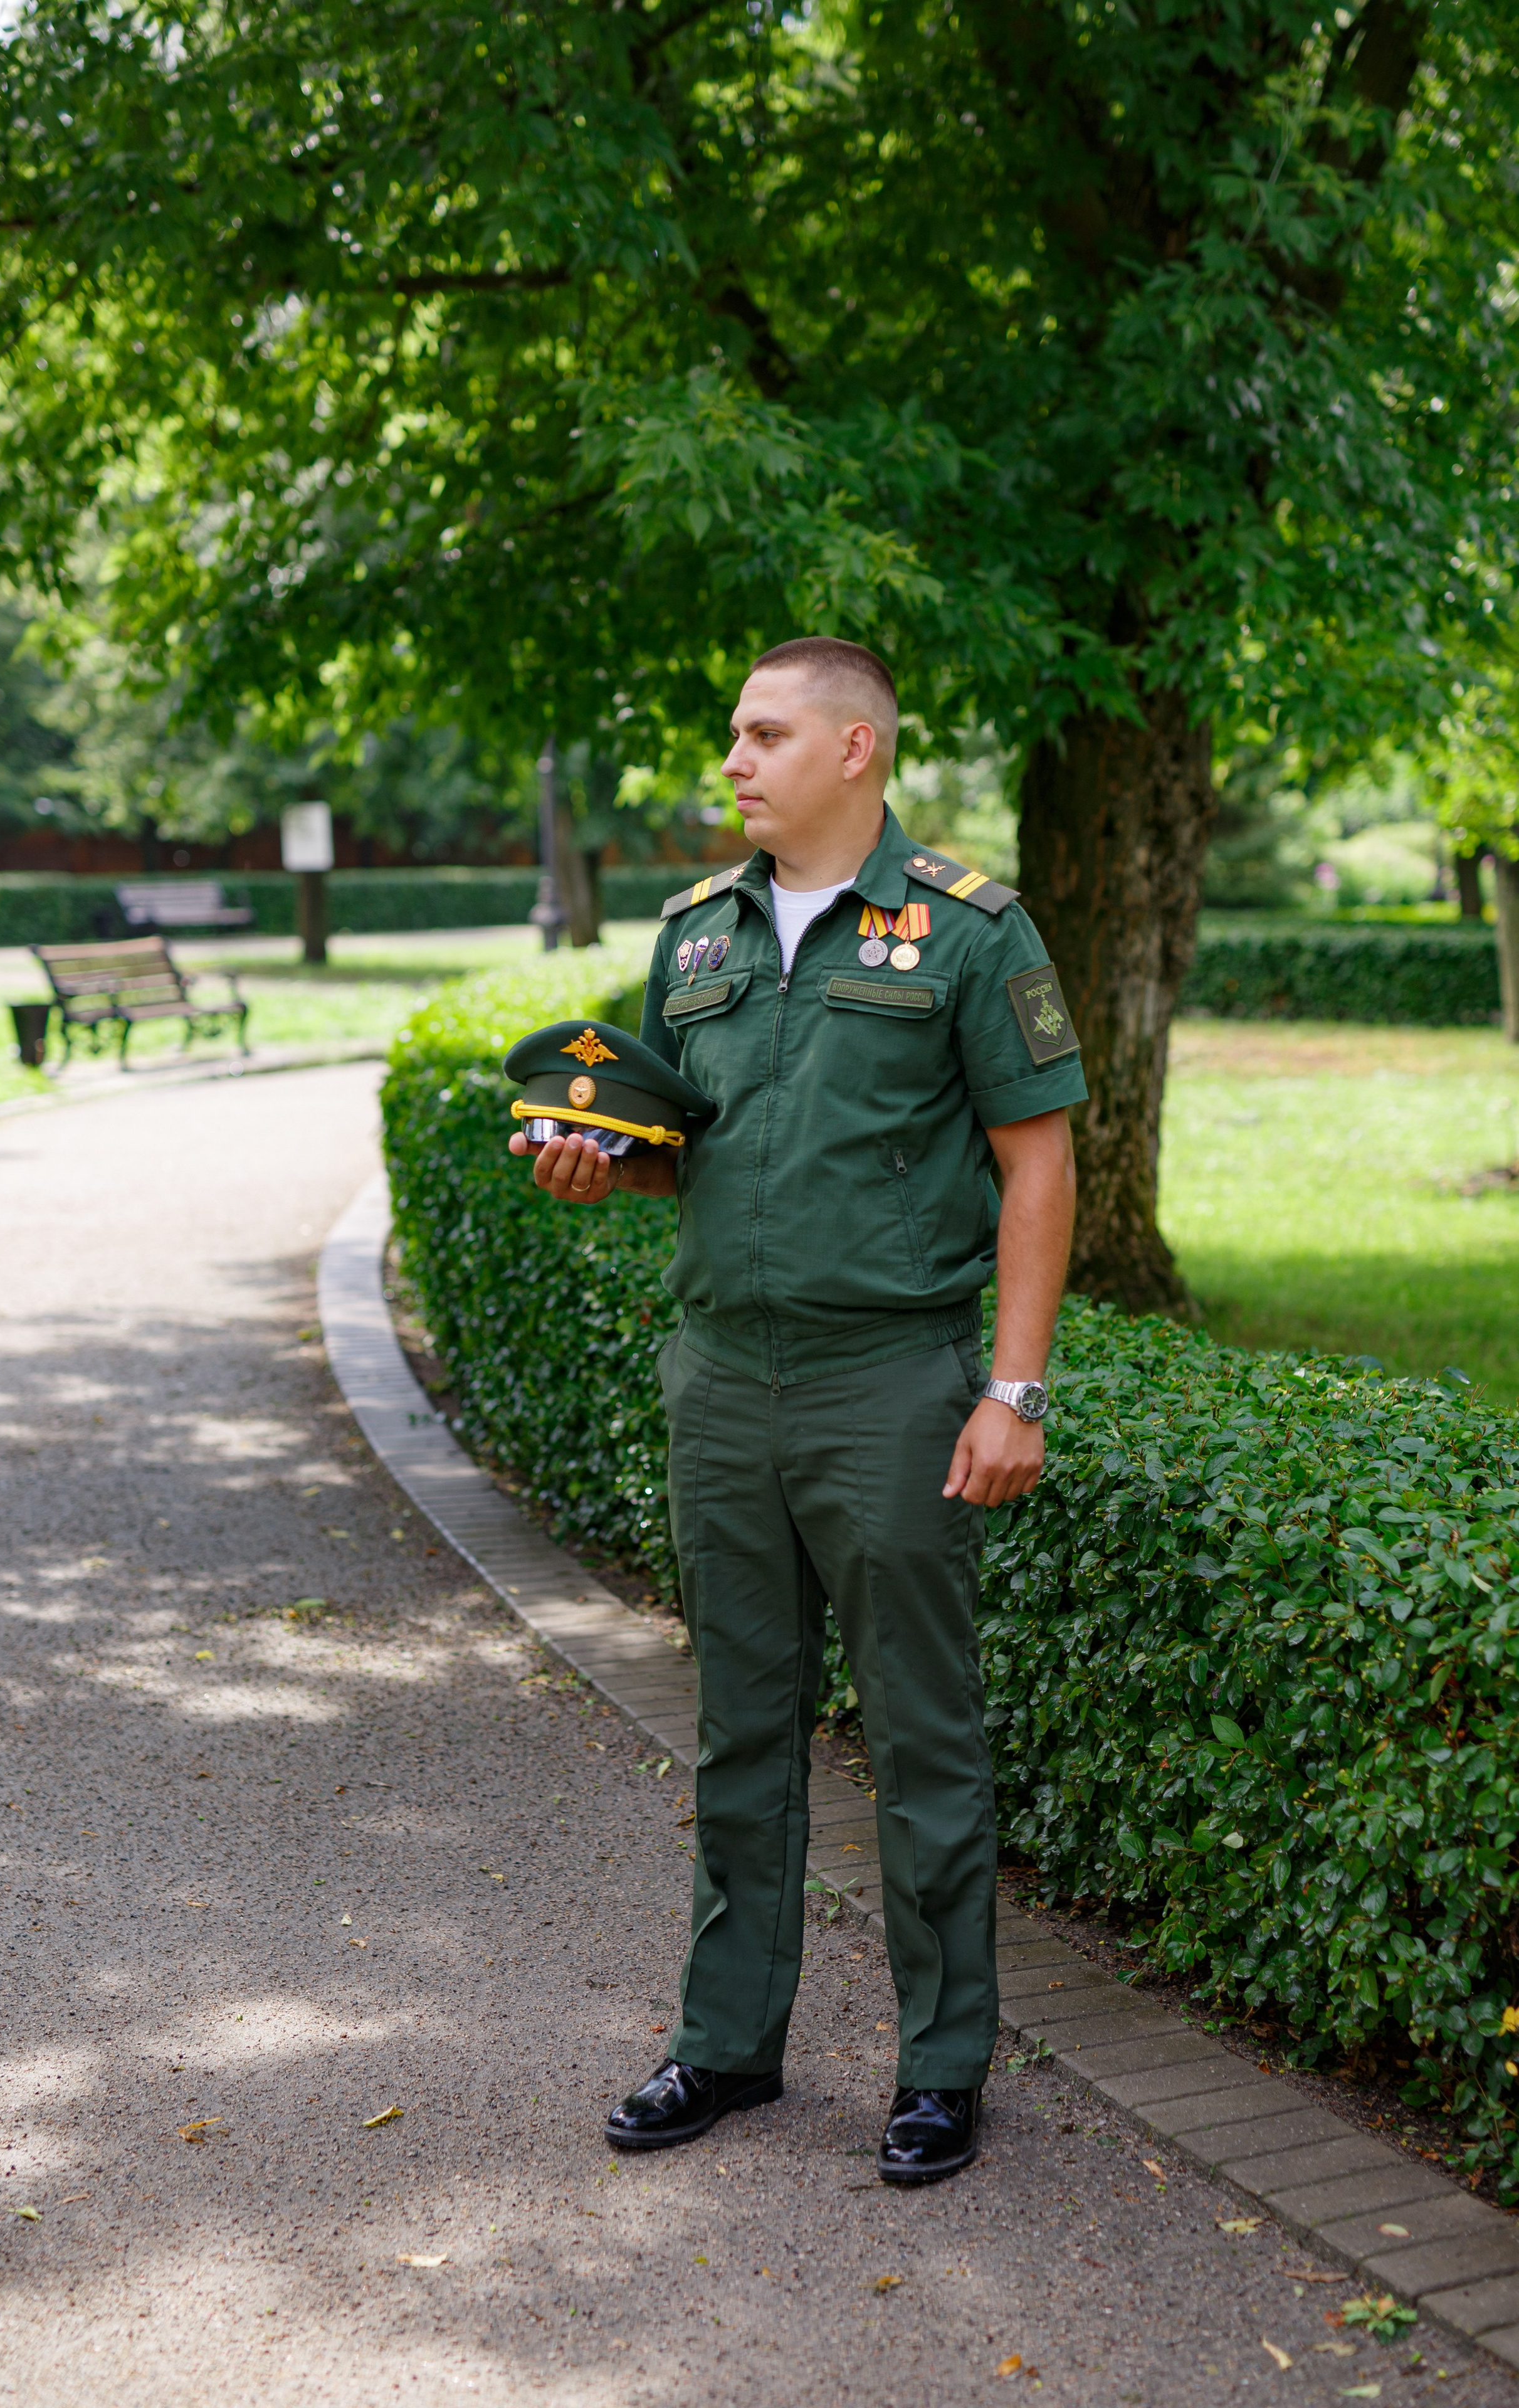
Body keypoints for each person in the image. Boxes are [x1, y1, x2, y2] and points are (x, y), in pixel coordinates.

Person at [508, 636, 1085, 2185]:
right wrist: (598, 1163)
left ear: (854, 750)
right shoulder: (695, 936)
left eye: (762, 734)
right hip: (721, 1384)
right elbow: (678, 1150)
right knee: (738, 1732)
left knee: (921, 1734)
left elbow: (1037, 1161)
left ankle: (941, 2069)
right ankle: (725, 2046)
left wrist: (1011, 1391)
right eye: (731, 735)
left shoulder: (968, 933)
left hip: (888, 1386)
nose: (734, 761)